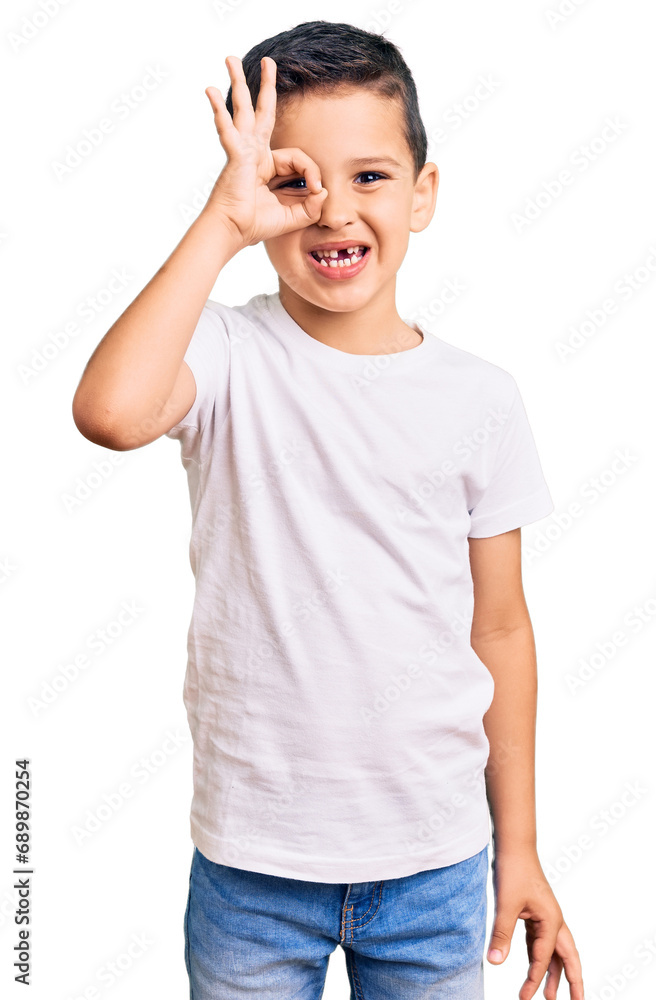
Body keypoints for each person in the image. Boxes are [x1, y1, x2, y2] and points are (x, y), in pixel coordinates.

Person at [71, 19, 585, 1000]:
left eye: (368, 177)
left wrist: (515, 847)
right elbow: (109, 411)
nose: (330, 210)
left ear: (422, 193)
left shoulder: (479, 399)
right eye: (293, 179)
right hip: (252, 868)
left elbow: (502, 629)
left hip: (434, 865)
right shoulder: (224, 353)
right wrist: (221, 224)